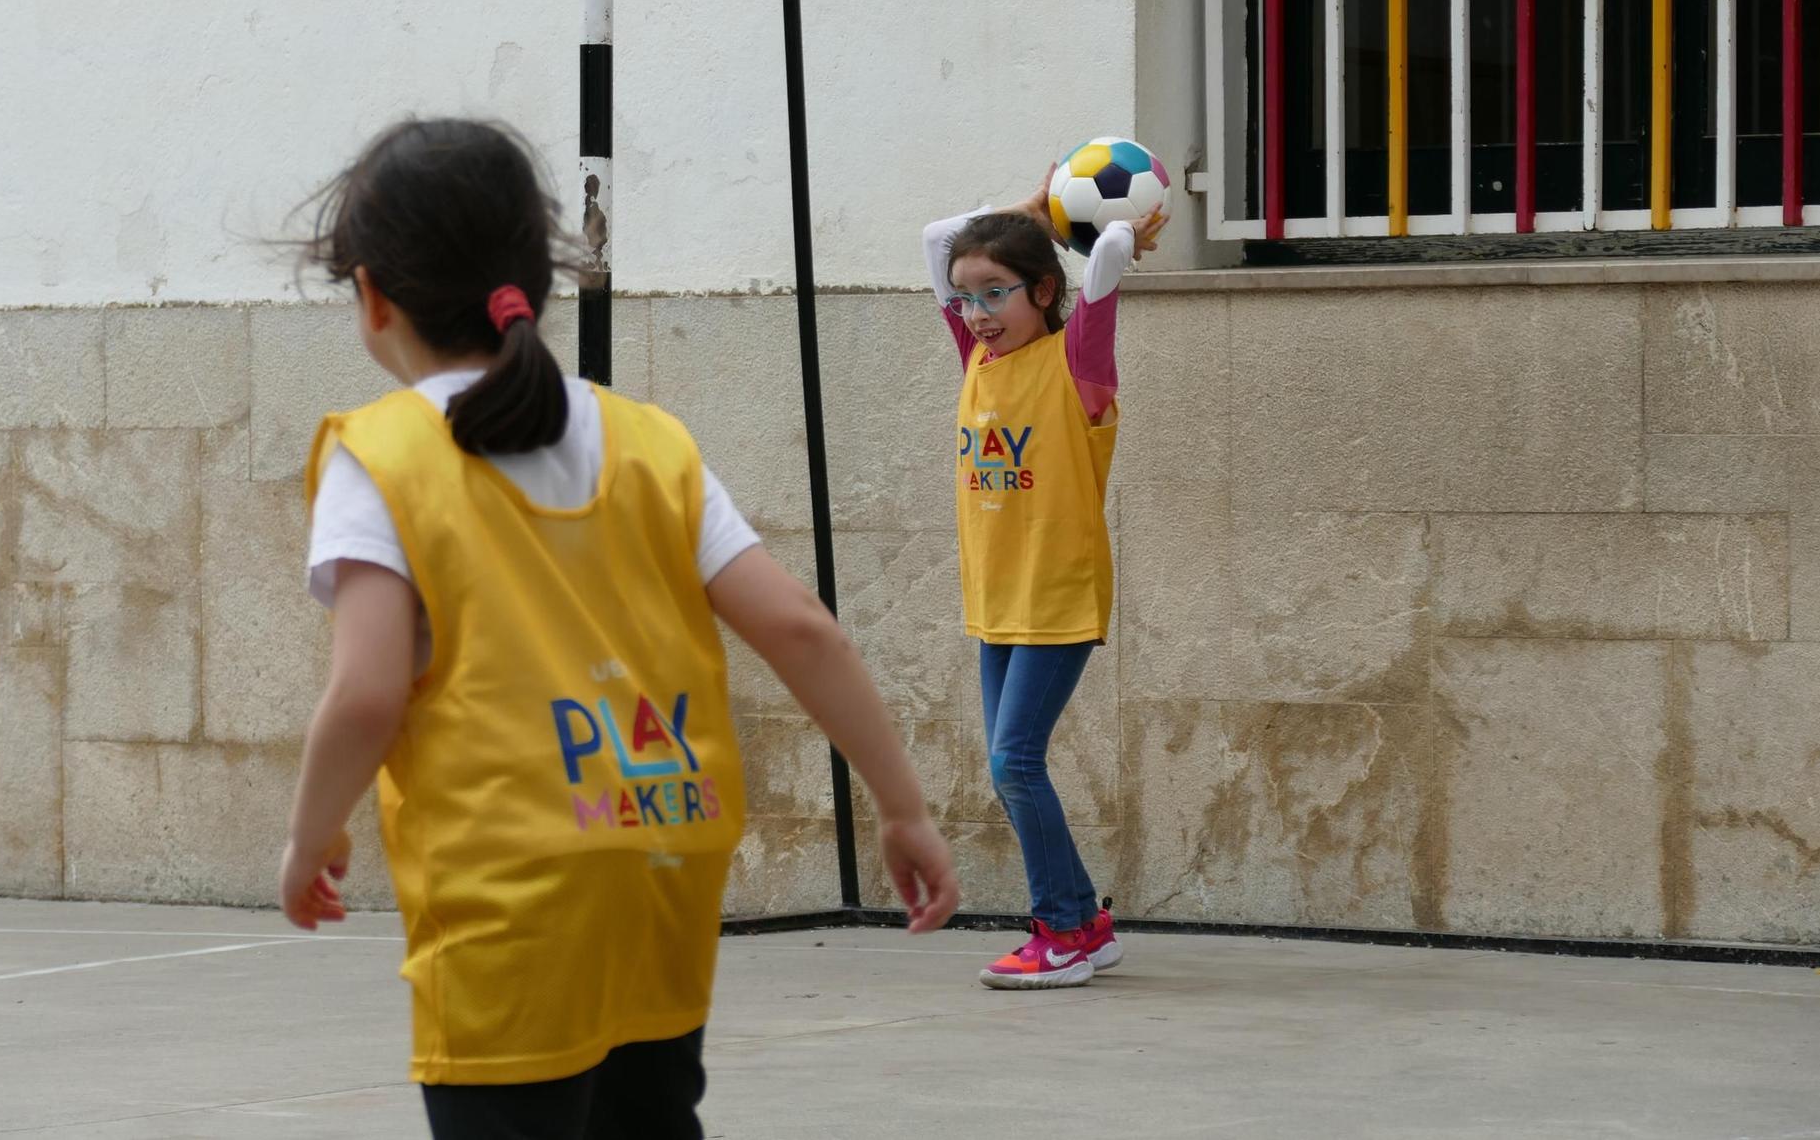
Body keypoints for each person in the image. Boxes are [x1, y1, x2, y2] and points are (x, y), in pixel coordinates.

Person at [277, 117, 958, 1137]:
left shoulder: (380, 456)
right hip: (662, 863)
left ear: (371, 294)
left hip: (507, 891)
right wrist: (902, 807)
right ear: (533, 277)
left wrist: (310, 833)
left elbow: (368, 692)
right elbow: (802, 628)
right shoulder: (650, 443)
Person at [923, 166, 1165, 990]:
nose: (976, 315)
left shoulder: (1079, 366)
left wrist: (1112, 229)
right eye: (965, 298)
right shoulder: (977, 360)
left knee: (1013, 762)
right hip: (996, 599)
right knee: (1012, 764)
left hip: (1058, 596)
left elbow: (1109, 267)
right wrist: (1030, 210)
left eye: (995, 294)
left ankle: (1061, 930)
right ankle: (1082, 923)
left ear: (1046, 291)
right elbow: (935, 240)